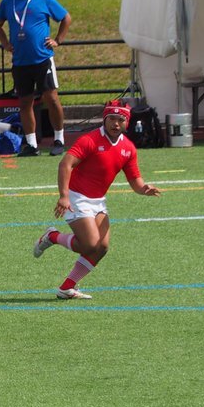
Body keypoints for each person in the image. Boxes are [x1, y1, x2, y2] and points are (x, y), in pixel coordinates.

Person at [33, 101, 161, 299]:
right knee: (90, 244)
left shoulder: (128, 148)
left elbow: (135, 180)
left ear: (127, 122)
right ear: (105, 119)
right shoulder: (90, 140)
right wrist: (64, 196)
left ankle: (67, 287)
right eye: (112, 119)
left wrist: (144, 189)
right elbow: (65, 164)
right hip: (76, 197)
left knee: (102, 247)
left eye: (121, 119)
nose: (116, 123)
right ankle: (52, 237)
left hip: (98, 200)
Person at [0, 0, 72, 157]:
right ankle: (31, 144)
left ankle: (59, 139)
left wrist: (58, 40)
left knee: (51, 98)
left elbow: (66, 18)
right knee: (25, 102)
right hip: (20, 61)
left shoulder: (44, 0)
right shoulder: (8, 2)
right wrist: (5, 43)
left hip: (42, 59)